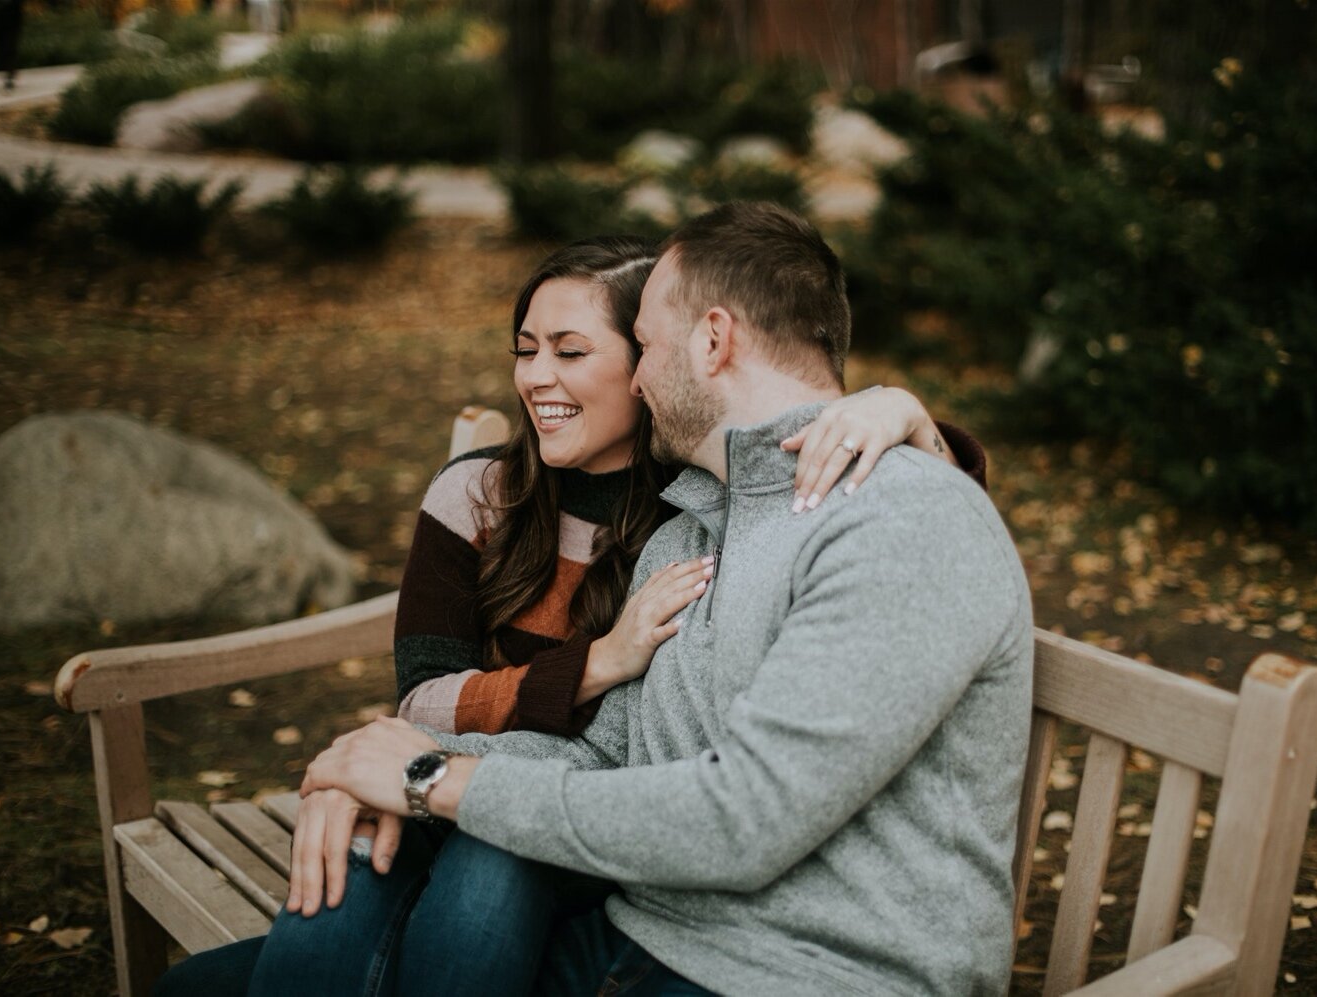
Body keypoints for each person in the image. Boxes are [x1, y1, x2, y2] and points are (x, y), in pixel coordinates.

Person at [154, 232, 988, 996]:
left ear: (710, 340)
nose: (541, 376)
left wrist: (913, 422)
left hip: (726, 931)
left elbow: (903, 522)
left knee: (489, 872)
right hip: (630, 893)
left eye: (631, 349)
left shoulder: (762, 518)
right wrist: (379, 762)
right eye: (527, 350)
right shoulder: (692, 529)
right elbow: (595, 745)